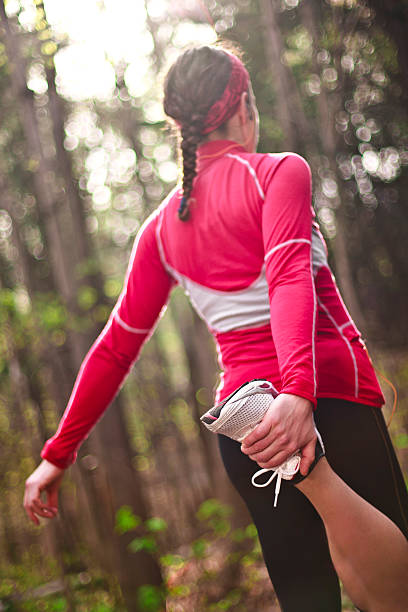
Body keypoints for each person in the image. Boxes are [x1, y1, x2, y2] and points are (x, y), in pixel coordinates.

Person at [24, 45, 408, 611]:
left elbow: (113, 351)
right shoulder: (279, 172)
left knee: (306, 599)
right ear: (244, 108)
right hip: (328, 396)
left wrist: (56, 455)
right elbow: (285, 277)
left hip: (249, 431)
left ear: (179, 124)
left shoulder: (160, 229)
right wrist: (299, 392)